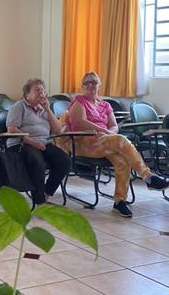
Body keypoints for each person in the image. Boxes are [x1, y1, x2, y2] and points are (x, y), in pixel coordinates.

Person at [67, 71, 168, 218]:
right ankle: (148, 177)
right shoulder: (79, 101)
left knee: (122, 161)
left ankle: (119, 201)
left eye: (94, 82)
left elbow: (114, 125)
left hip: (105, 141)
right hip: (84, 142)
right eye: (86, 83)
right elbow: (79, 121)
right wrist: (104, 131)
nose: (90, 85)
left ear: (99, 85)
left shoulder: (105, 105)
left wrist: (109, 133)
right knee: (120, 140)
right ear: (82, 87)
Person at [6, 78, 70, 206]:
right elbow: (12, 129)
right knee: (38, 162)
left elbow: (57, 130)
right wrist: (32, 142)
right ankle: (39, 201)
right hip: (22, 144)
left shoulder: (44, 108)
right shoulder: (19, 106)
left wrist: (48, 110)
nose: (41, 93)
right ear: (27, 94)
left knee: (65, 161)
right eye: (37, 90)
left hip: (43, 143)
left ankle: (46, 193)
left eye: (42, 90)